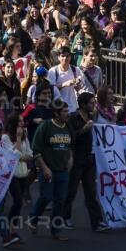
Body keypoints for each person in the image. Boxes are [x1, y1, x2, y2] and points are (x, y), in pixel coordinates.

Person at [63, 91, 109, 232]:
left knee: (91, 192)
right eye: (91, 103)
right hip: (77, 158)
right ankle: (65, 217)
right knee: (71, 190)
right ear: (83, 105)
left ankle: (97, 222)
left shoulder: (91, 116)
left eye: (94, 102)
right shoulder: (73, 118)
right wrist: (83, 129)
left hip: (90, 158)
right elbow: (70, 138)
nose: (94, 105)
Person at [29, 99, 73, 240]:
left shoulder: (68, 126)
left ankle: (56, 231)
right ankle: (33, 218)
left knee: (60, 201)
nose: (68, 114)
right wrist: (44, 167)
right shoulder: (46, 126)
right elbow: (36, 149)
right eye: (65, 111)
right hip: (48, 170)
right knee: (46, 197)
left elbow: (70, 145)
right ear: (56, 113)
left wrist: (70, 159)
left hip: (63, 171)